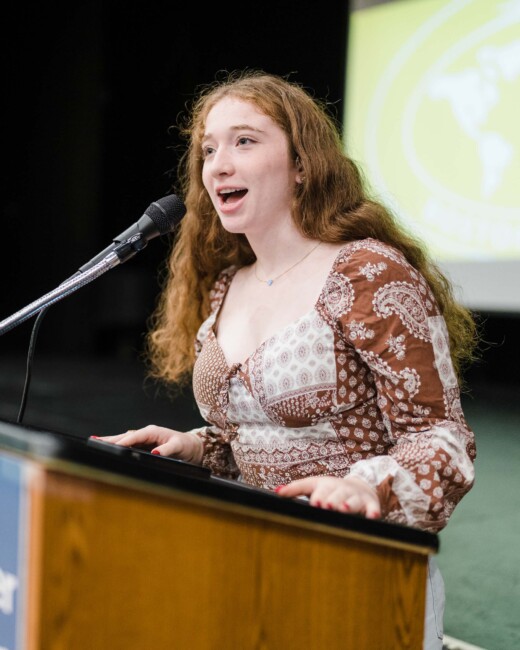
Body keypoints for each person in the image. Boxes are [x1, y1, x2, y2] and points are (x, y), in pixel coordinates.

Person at [95, 69, 479, 648]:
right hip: (249, 565)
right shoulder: (226, 286)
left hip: (356, 571)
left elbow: (443, 440)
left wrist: (365, 488)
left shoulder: (368, 272)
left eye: (244, 141)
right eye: (209, 148)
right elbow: (252, 438)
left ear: (302, 164)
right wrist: (197, 446)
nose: (218, 164)